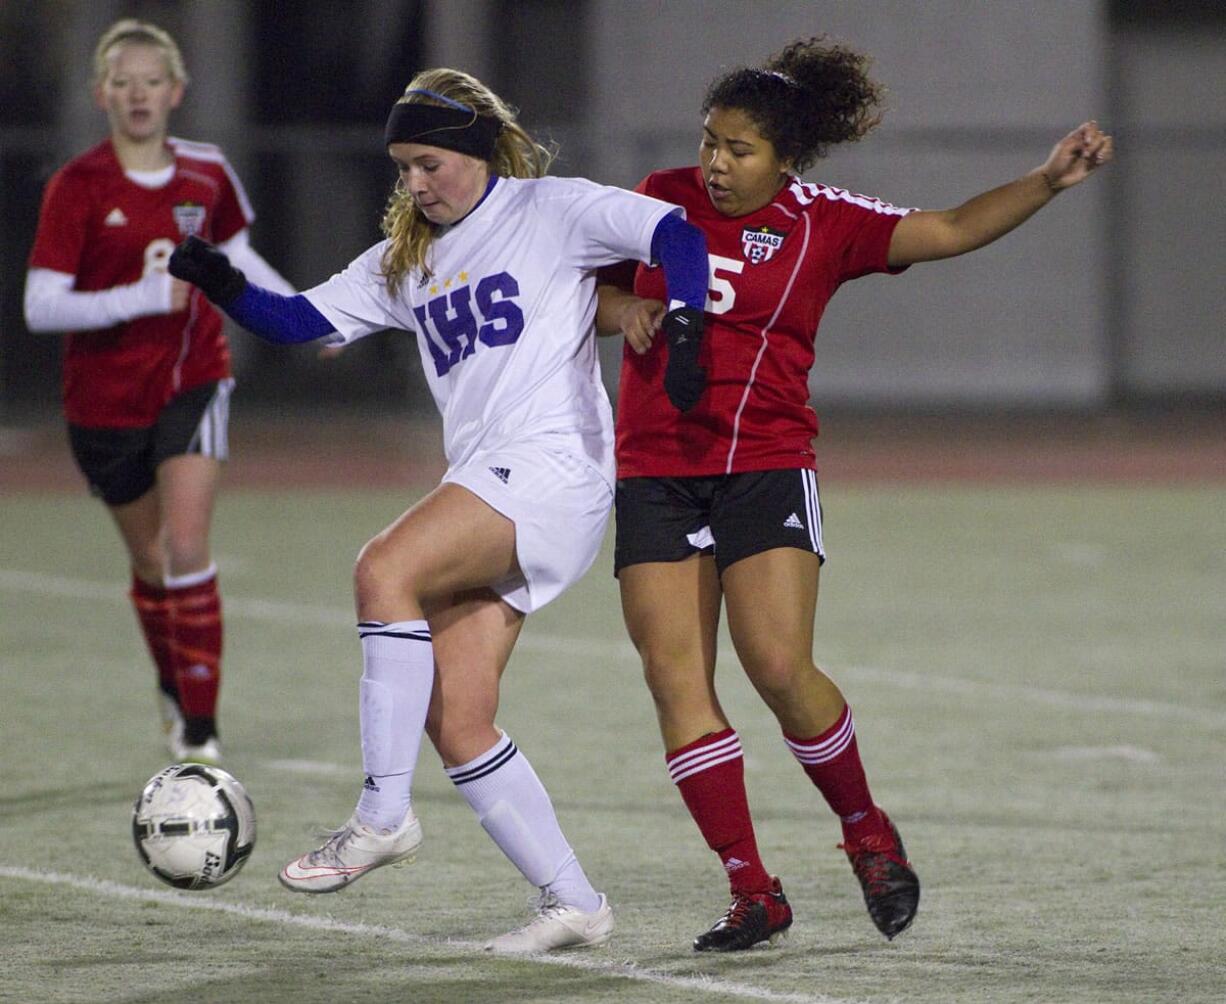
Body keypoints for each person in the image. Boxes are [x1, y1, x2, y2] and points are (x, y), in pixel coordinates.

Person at [167, 67, 710, 953]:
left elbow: (674, 233)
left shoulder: (550, 210)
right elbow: (302, 323)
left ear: (475, 150)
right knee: (457, 718)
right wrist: (220, 281)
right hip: (498, 483)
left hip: (550, 470)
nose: (415, 183)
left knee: (384, 568)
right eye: (402, 169)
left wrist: (686, 322)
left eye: (428, 163)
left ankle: (383, 816)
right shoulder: (406, 259)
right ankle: (574, 902)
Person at [597, 36, 1113, 952]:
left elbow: (949, 229)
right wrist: (623, 310)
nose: (715, 163)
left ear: (785, 158)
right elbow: (585, 288)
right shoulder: (657, 195)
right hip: (654, 471)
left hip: (763, 463)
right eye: (710, 140)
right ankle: (753, 889)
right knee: (676, 681)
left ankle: (867, 835)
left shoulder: (824, 221)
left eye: (739, 149)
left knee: (780, 671)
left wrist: (1046, 180)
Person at [23, 19, 293, 765]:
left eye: (152, 80)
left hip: (194, 379)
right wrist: (136, 297)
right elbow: (40, 306)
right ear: (101, 93)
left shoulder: (206, 172)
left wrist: (305, 317)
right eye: (123, 81)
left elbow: (236, 253)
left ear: (176, 92)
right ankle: (174, 686)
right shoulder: (76, 186)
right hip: (103, 405)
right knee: (150, 567)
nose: (138, 93)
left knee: (185, 544)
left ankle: (202, 732)